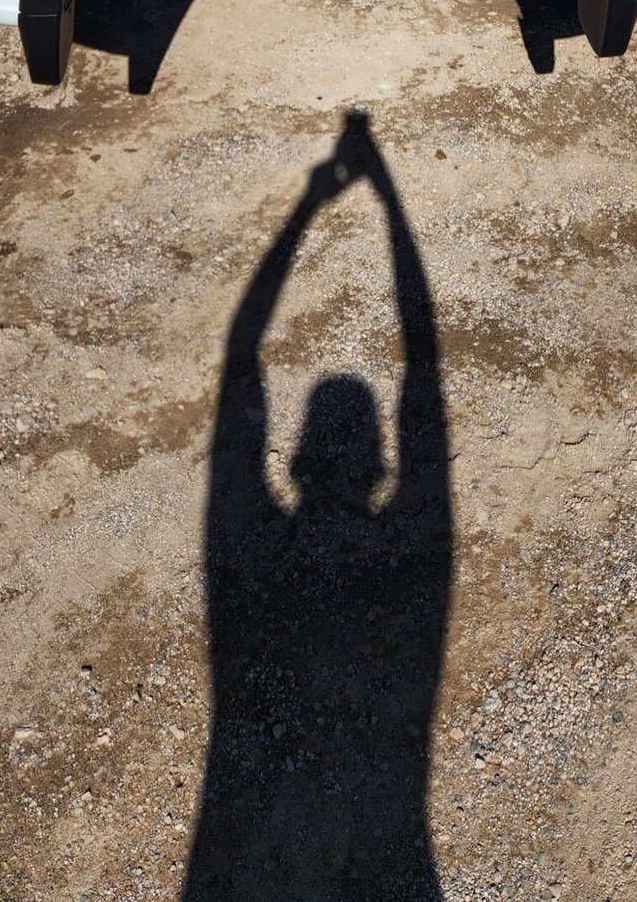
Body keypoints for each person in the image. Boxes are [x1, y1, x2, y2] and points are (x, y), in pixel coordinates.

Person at [183, 112, 452, 901]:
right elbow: (423, 367)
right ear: (376, 464)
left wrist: (311, 204)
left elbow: (242, 354)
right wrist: (389, 204)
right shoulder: (418, 564)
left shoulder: (249, 559)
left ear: (296, 459)